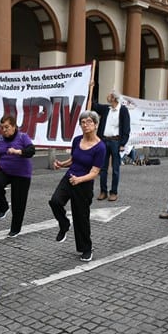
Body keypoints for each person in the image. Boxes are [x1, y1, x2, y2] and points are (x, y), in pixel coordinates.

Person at [48, 110, 106, 262]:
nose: (85, 125)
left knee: (81, 219)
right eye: (83, 122)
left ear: (95, 125)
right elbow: (74, 159)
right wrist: (62, 164)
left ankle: (86, 249)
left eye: (89, 122)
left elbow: (95, 172)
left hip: (83, 185)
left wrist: (80, 180)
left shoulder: (100, 147)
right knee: (55, 202)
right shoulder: (77, 140)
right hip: (69, 178)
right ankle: (64, 224)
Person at [0, 114, 35, 238]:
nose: (4, 130)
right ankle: (3, 207)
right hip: (5, 171)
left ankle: (15, 228)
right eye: (2, 128)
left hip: (22, 174)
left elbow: (31, 151)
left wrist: (18, 152)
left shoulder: (22, 137)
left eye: (7, 127)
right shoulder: (0, 141)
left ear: (14, 127)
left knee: (18, 202)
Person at [91, 91, 129, 202]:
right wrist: (91, 88)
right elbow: (94, 106)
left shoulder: (123, 110)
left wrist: (123, 143)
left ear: (114, 99)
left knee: (115, 169)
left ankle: (114, 192)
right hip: (104, 141)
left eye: (110, 96)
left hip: (116, 142)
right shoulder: (106, 109)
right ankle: (103, 191)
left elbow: (126, 128)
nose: (107, 97)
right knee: (103, 168)